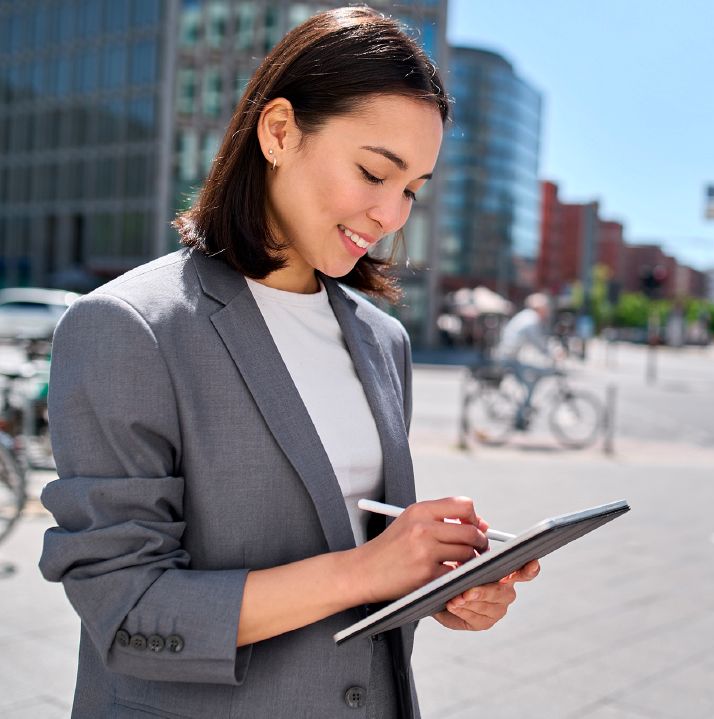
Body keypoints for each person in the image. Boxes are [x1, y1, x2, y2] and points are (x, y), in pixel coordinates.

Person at [38, 8, 538, 719]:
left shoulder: (381, 339)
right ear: (278, 131)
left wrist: (434, 583)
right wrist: (367, 569)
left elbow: (354, 555)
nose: (391, 214)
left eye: (412, 190)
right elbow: (127, 612)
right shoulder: (129, 327)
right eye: (373, 171)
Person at [494, 293, 560, 426]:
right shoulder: (531, 319)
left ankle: (524, 412)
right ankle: (521, 416)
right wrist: (553, 353)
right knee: (529, 381)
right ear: (539, 308)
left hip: (509, 356)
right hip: (508, 358)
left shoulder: (527, 316)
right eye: (545, 308)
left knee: (531, 377)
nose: (547, 312)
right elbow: (537, 341)